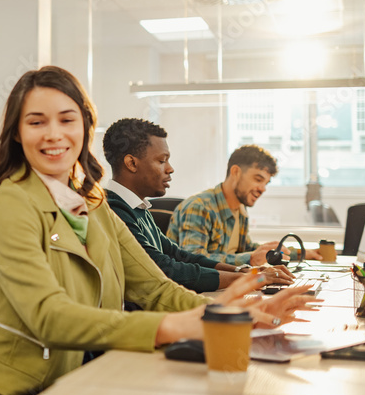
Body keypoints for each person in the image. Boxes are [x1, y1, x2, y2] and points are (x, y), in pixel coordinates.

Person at [0, 67, 316, 395]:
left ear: (84, 127)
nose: (54, 135)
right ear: (16, 133)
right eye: (37, 122)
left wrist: (234, 315)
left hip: (85, 374)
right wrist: (170, 326)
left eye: (67, 120)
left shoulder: (91, 203)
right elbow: (49, 316)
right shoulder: (7, 206)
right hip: (21, 393)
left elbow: (156, 288)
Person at [102, 118, 294, 291]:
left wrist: (245, 271)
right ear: (132, 163)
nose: (170, 168)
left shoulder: (139, 209)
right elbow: (165, 268)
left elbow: (181, 255)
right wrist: (252, 279)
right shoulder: (113, 210)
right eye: (162, 160)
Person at [167, 144, 321, 266]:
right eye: (258, 179)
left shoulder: (240, 208)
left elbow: (246, 249)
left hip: (226, 282)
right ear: (235, 172)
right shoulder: (199, 206)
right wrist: (251, 259)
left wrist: (299, 253)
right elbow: (193, 259)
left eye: (266, 183)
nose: (263, 189)